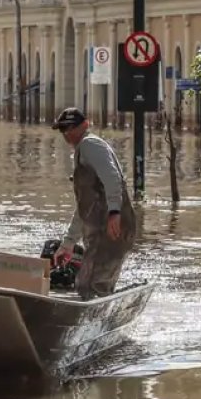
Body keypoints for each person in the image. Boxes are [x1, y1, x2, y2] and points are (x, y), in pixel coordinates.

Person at [51, 107, 138, 299]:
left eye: (70, 128)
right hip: (100, 234)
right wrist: (68, 243)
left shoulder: (90, 145)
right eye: (63, 129)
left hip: (112, 230)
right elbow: (84, 209)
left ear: (85, 125)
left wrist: (114, 212)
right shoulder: (82, 152)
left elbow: (113, 178)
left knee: (92, 285)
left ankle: (94, 314)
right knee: (89, 283)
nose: (67, 134)